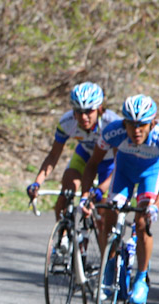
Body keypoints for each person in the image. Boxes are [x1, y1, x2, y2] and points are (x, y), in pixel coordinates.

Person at [80, 94, 159, 304]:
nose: (136, 131)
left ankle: (142, 278)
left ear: (152, 122)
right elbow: (91, 164)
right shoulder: (112, 132)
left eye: (142, 125)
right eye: (131, 124)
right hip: (124, 171)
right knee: (109, 214)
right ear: (124, 122)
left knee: (142, 222)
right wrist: (85, 195)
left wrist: (156, 206)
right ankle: (109, 267)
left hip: (150, 174)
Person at [26, 82, 121, 221]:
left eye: (89, 111)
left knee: (102, 211)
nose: (83, 117)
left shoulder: (112, 123)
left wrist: (101, 189)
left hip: (109, 162)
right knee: (66, 194)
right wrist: (37, 183)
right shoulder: (67, 122)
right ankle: (62, 237)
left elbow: (120, 162)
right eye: (78, 111)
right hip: (85, 155)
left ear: (99, 109)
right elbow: (53, 156)